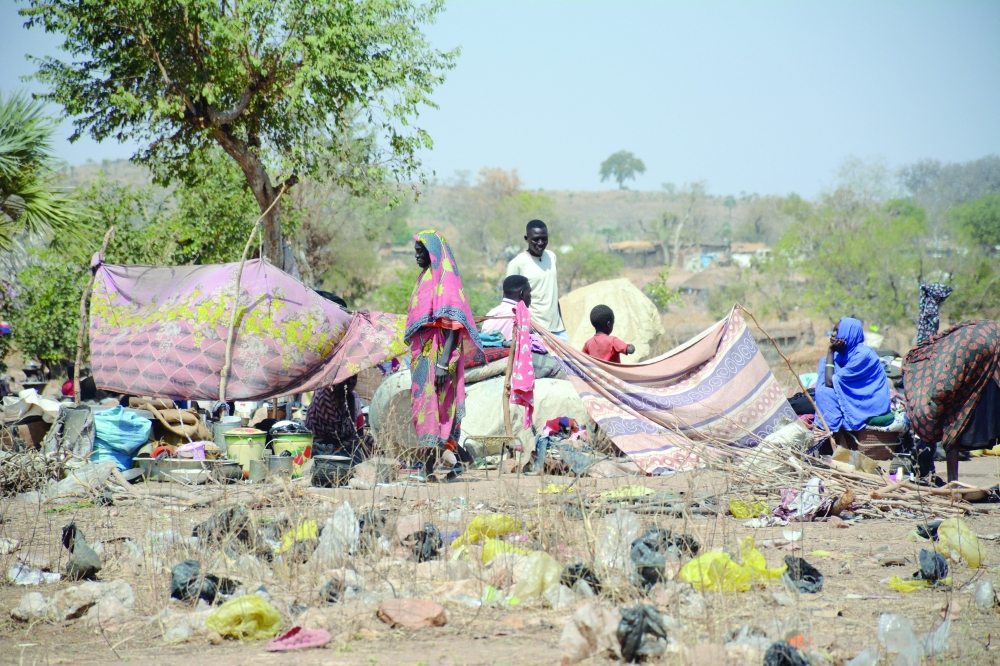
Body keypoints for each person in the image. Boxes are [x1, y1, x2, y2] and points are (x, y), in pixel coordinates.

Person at [405, 230, 484, 476]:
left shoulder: (445, 279)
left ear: (434, 253)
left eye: (422, 252)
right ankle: (462, 460)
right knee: (427, 408)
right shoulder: (426, 276)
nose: (417, 256)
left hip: (439, 355)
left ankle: (428, 469)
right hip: (424, 356)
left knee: (435, 408)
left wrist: (441, 364)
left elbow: (452, 324)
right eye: (416, 251)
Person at [904, 320, 1000, 482]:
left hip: (983, 345)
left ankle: (953, 483)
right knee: (955, 425)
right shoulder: (938, 361)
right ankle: (953, 483)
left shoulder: (944, 378)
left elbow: (943, 392)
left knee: (955, 424)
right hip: (980, 344)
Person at [305, 292, 372, 460]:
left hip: (343, 447)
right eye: (347, 379)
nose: (351, 383)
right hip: (326, 450)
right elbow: (338, 437)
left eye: (353, 378)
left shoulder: (351, 398)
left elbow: (357, 433)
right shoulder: (326, 396)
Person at [814, 318, 890, 446]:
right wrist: (831, 354)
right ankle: (837, 436)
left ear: (849, 333)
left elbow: (829, 382)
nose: (833, 335)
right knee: (824, 363)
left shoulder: (863, 355)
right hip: (853, 397)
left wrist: (830, 351)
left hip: (869, 401)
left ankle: (839, 440)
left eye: (837, 331)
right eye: (833, 331)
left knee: (824, 392)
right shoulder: (842, 355)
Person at [506, 220, 569, 342]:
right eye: (535, 239)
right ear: (526, 238)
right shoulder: (517, 264)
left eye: (544, 239)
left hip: (558, 330)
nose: (540, 243)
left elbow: (552, 293)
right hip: (534, 332)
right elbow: (509, 302)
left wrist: (561, 323)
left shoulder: (551, 257)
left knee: (568, 360)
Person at [482, 275, 531, 340]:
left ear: (503, 293)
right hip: (510, 350)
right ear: (522, 294)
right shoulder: (522, 314)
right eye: (529, 292)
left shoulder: (491, 313)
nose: (530, 296)